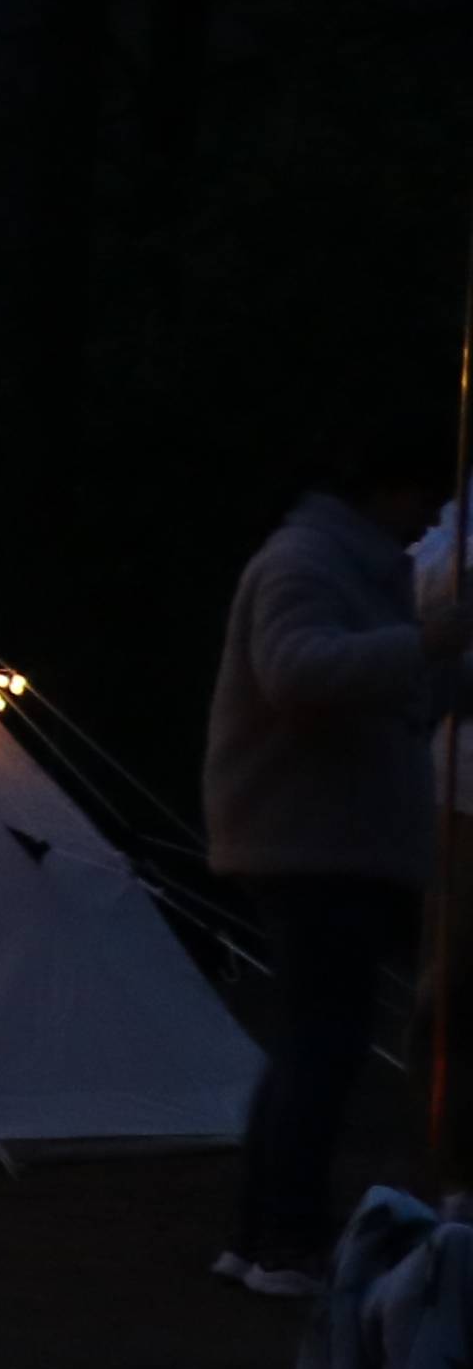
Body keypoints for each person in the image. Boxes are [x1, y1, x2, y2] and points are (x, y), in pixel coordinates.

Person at [203, 426, 471, 1298]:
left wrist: (440, 676)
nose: (430, 517)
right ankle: (287, 1240)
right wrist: (428, 642)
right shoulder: (307, 562)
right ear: (385, 490)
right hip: (308, 840)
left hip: (325, 838)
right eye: (423, 499)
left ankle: (258, 1235)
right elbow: (296, 673)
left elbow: (382, 685)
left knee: (307, 1044)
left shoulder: (353, 566)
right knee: (323, 1046)